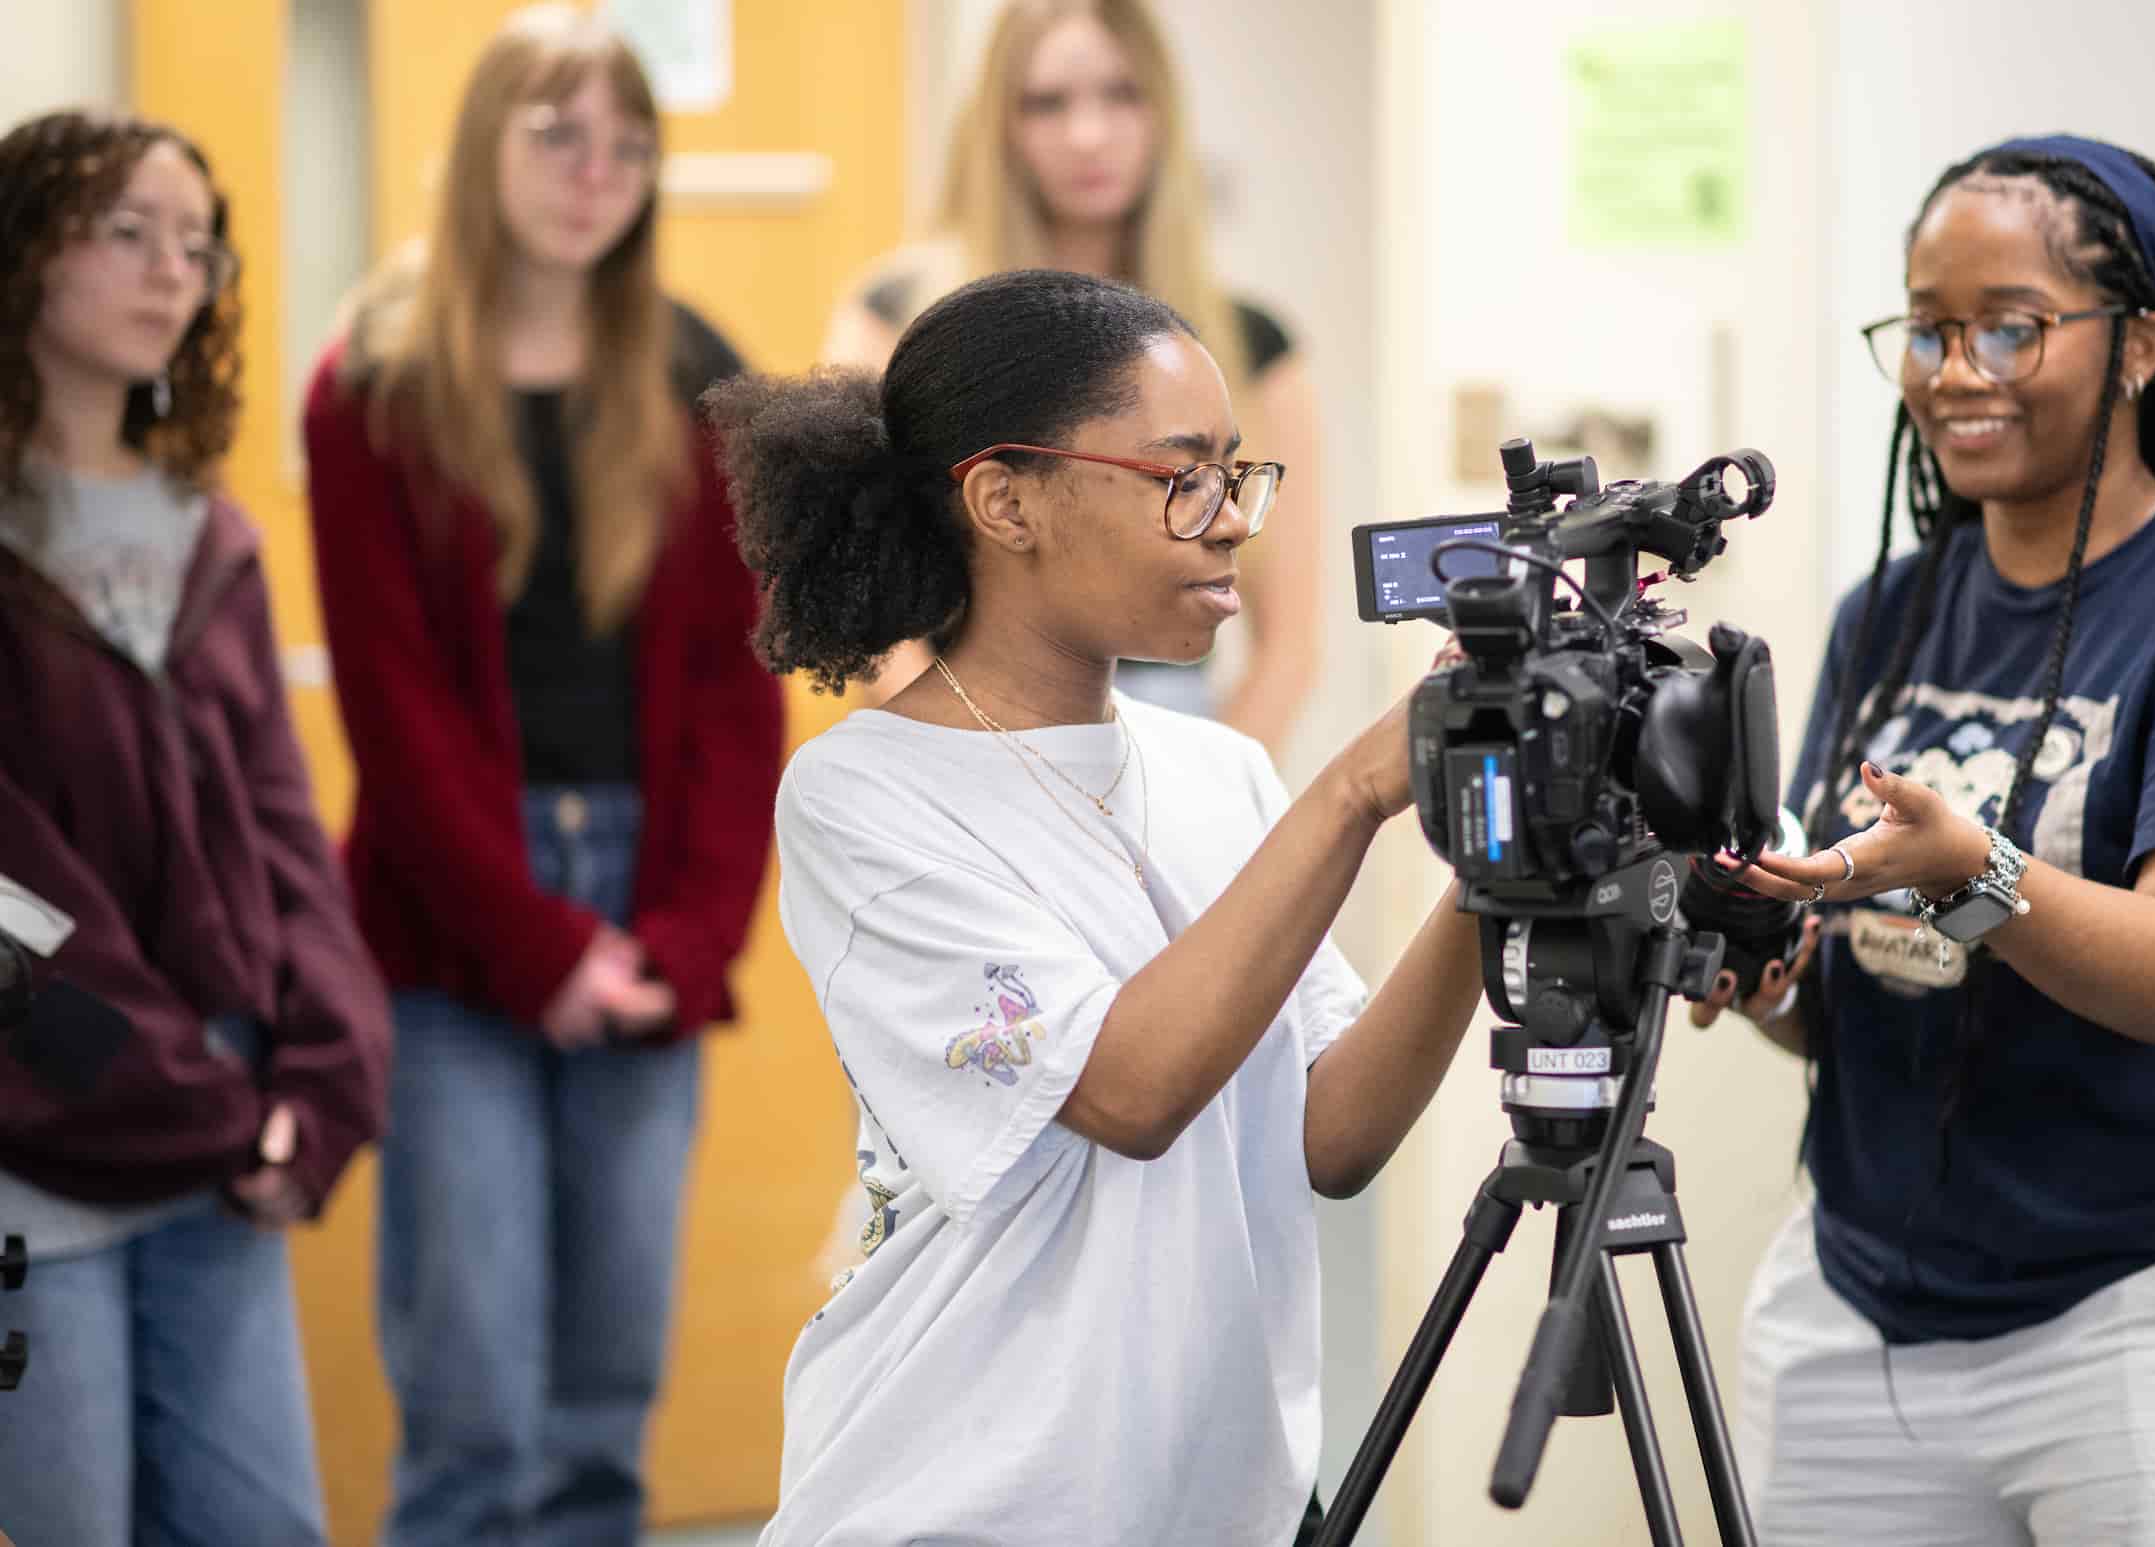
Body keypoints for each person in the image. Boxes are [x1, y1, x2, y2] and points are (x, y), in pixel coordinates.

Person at [709, 268, 1478, 1546]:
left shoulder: (1222, 774)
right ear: (1006, 499)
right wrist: (1355, 789)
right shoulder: (863, 794)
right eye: (1181, 474)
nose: (1231, 520)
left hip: (1220, 1501)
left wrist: (1494, 874)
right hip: (970, 1498)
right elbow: (1129, 1089)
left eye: (1239, 474)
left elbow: (1329, 1133)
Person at [1695, 136, 2155, 1545]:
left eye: (2012, 325)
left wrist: (1973, 871)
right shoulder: (1887, 611)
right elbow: (1865, 986)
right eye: (1928, 328)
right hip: (1867, 1293)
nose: (1957, 370)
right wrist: (1770, 974)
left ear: (2140, 349)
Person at [299, 8, 784, 1543]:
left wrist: (691, 938)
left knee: (603, 1393)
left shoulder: (697, 375)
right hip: (458, 924)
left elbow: (732, 689)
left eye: (629, 144)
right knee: (474, 1403)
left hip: (649, 905)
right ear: (481, 150)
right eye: (558, 136)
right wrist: (539, 945)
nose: (597, 174)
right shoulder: (372, 383)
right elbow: (396, 713)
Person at [0, 107, 392, 1544]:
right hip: (45, 1135)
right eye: (126, 233)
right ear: (26, 252)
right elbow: (11, 904)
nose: (174, 271)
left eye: (195, 244)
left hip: (221, 1120)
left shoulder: (207, 527)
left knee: (261, 1522)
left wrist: (323, 1071)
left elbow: (285, 834)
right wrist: (184, 1092)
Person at [819, 0, 1325, 748]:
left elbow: (1289, 648)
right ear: (998, 124)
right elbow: (868, 610)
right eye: (1046, 103)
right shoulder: (894, 324)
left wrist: (1214, 803)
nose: (1089, 135)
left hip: (1178, 749)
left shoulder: (1250, 347)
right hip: (962, 743)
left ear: (1163, 113)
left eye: (1122, 95)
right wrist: (956, 760)